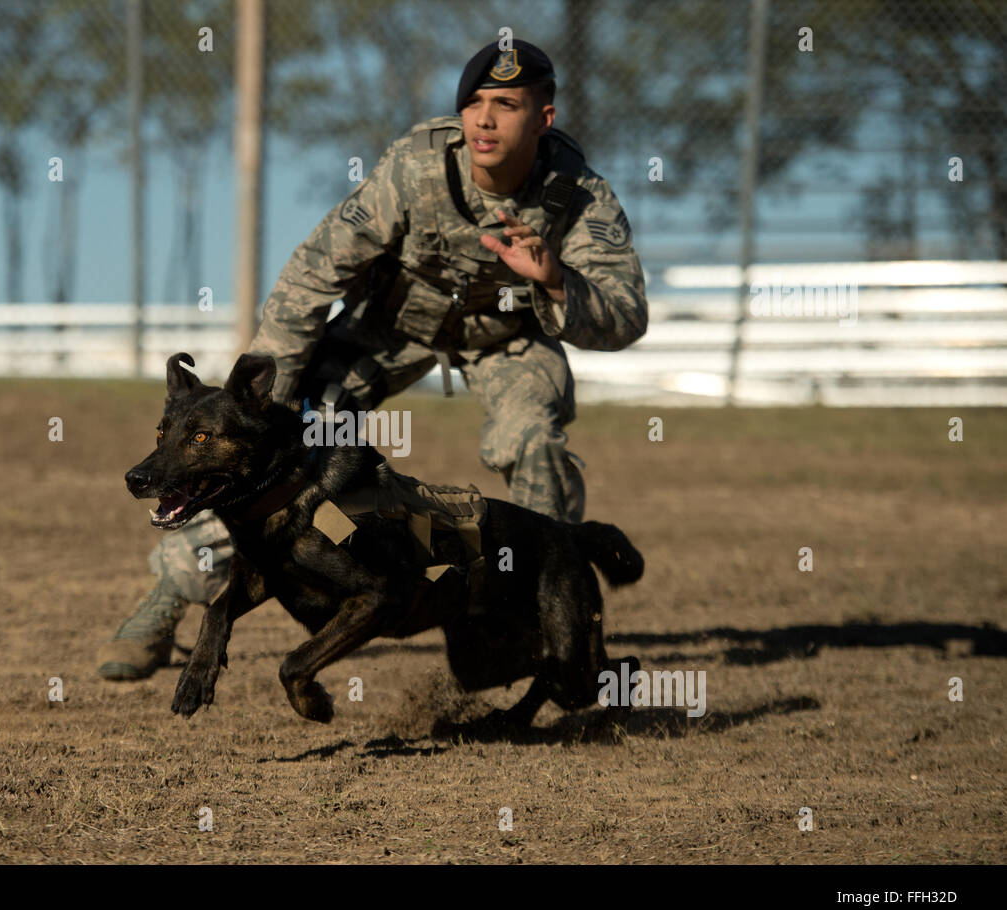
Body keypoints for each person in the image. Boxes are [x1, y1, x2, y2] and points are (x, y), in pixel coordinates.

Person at [97, 38, 648, 681]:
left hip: (506, 339)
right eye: (473, 103)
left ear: (544, 118)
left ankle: (543, 620)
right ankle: (170, 599)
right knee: (283, 451)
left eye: (507, 104)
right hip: (389, 329)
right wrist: (267, 407)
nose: (485, 120)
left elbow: (626, 316)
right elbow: (309, 278)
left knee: (534, 441)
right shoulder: (414, 170)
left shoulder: (578, 194)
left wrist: (555, 280)